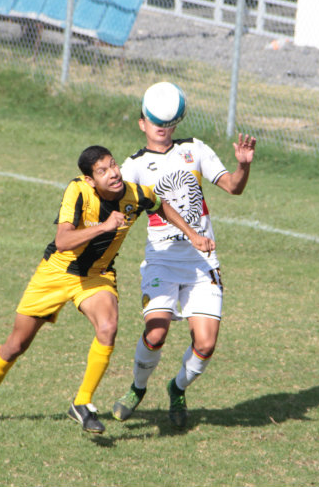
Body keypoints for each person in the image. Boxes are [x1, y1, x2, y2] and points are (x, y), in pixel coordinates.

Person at [0, 145, 215, 434]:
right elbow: (63, 241)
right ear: (89, 179)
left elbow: (161, 205)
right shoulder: (78, 191)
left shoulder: (137, 194)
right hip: (56, 273)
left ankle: (82, 403)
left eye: (113, 165)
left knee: (108, 327)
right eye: (102, 171)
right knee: (17, 344)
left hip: (97, 276)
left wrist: (193, 234)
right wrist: (105, 226)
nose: (113, 174)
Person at [112, 84, 257, 428]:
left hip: (201, 262)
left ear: (176, 122)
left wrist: (243, 165)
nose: (161, 128)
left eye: (167, 122)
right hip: (162, 260)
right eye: (154, 121)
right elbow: (116, 209)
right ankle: (137, 389)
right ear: (141, 123)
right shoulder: (133, 167)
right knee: (156, 333)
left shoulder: (195, 150)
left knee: (205, 345)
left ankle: (177, 389)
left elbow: (233, 186)